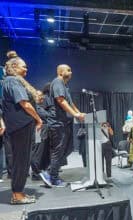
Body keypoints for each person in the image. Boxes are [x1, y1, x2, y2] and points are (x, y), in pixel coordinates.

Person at [3, 53, 42, 204]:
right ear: (14, 67)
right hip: (21, 126)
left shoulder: (10, 81)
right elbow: (24, 103)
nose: (26, 68)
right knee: (21, 160)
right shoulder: (12, 81)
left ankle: (18, 192)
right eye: (23, 66)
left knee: (22, 159)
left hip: (19, 126)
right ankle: (17, 195)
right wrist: (38, 119)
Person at [39, 64, 85, 187]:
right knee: (58, 150)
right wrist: (75, 115)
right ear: (60, 72)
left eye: (71, 70)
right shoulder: (57, 82)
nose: (71, 72)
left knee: (68, 148)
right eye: (68, 70)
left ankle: (50, 172)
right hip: (57, 123)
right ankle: (52, 177)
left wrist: (78, 112)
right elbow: (61, 101)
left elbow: (70, 102)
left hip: (64, 123)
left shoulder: (64, 85)